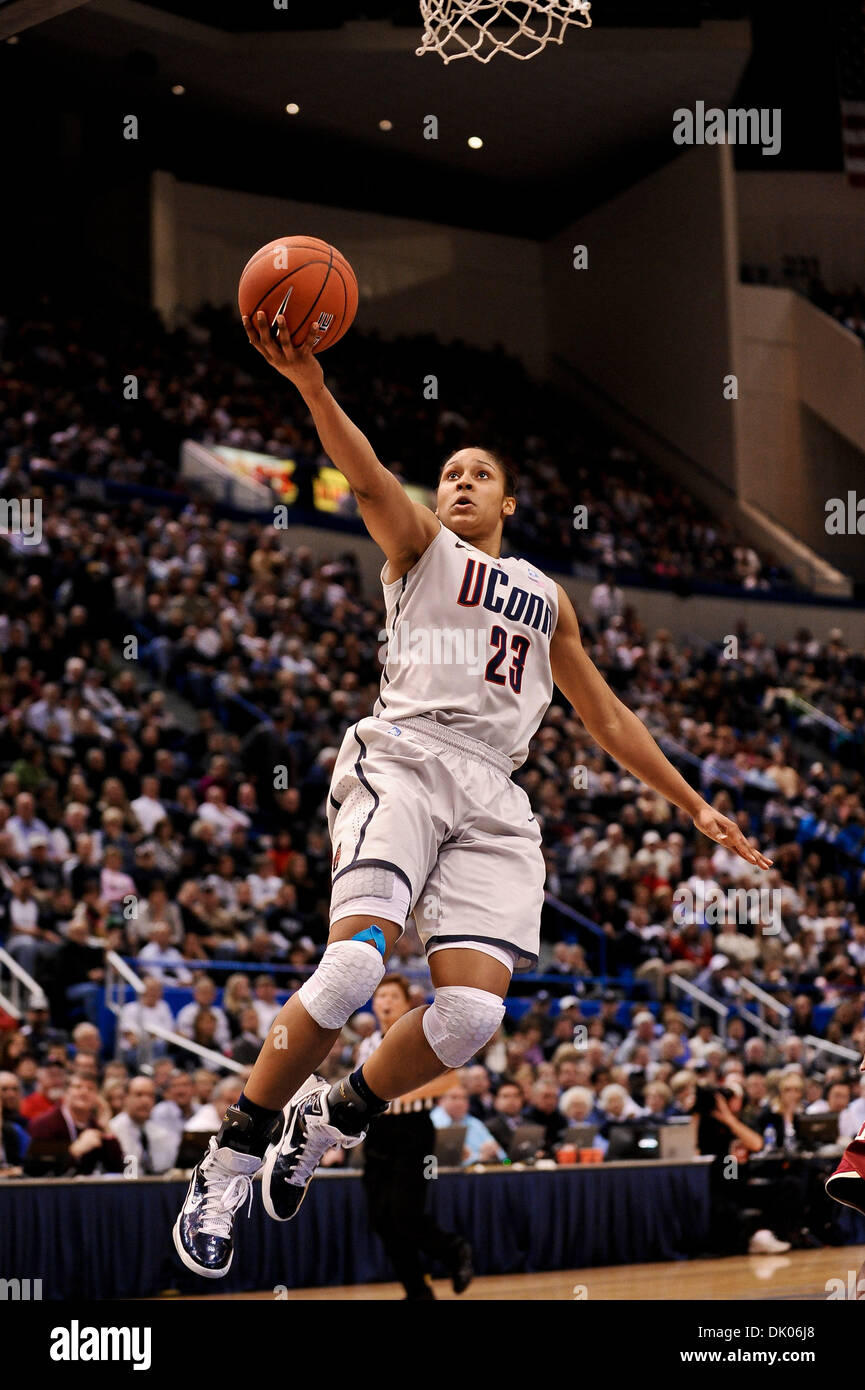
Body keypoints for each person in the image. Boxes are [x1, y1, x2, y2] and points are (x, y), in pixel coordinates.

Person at [174, 310, 773, 1278]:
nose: (456, 482)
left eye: (476, 474)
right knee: (351, 971)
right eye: (448, 472)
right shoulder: (419, 548)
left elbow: (609, 720)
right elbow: (365, 473)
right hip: (404, 758)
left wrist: (689, 800)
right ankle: (231, 1156)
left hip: (494, 793)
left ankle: (334, 1113)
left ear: (507, 503)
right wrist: (314, 388)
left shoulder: (545, 595)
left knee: (467, 1019)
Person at [354, 974, 472, 1301]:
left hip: (412, 1130)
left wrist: (397, 1094)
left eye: (392, 996)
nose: (385, 1002)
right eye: (380, 997)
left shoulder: (421, 1037)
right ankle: (417, 1291)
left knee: (404, 1214)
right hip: (377, 1133)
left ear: (407, 1003)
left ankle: (452, 1250)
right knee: (381, 1219)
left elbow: (450, 1082)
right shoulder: (365, 1044)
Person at [109, 1076, 180, 1175]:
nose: (145, 1101)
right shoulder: (113, 1130)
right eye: (139, 1095)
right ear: (126, 1098)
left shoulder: (160, 1133)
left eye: (150, 1096)